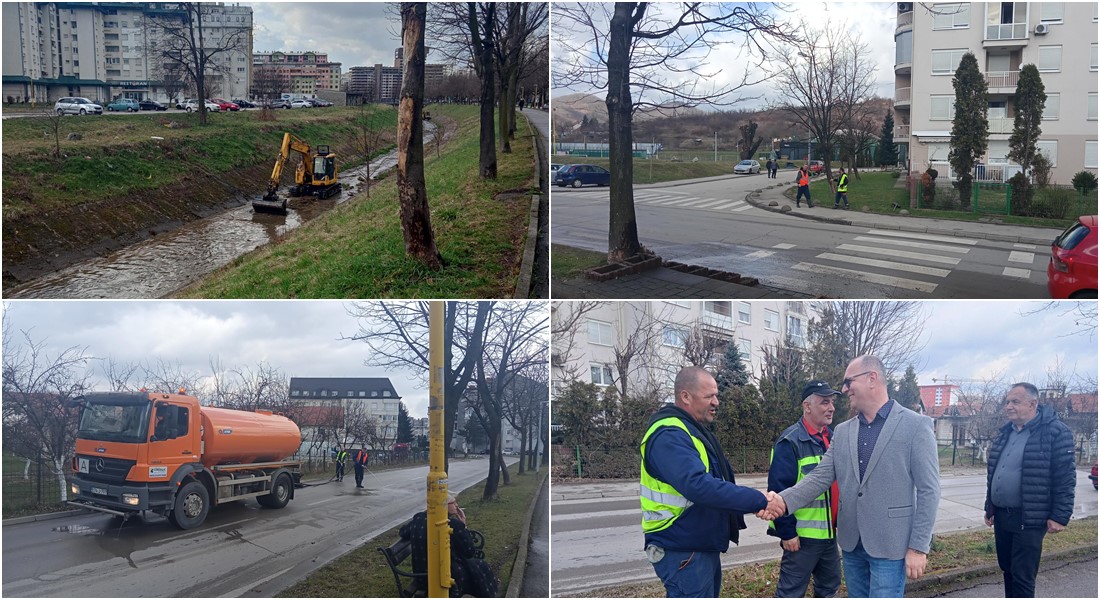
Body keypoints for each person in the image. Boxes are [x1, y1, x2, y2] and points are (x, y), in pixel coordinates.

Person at [767, 355, 940, 598]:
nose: (844, 389)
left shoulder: (916, 426)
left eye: (849, 382)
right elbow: (819, 478)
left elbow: (929, 490)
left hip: (890, 545)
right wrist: (781, 503)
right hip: (851, 544)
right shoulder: (843, 431)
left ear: (872, 379)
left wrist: (919, 547)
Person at [640, 366, 781, 597]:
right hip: (681, 547)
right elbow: (699, 486)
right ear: (685, 396)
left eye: (716, 395)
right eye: (709, 396)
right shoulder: (669, 434)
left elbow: (715, 481)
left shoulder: (691, 430)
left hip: (696, 544)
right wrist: (759, 500)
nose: (716, 402)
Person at [984, 382, 1075, 598]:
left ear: (1033, 404)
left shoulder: (1055, 432)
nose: (1008, 406)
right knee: (1007, 569)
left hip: (1030, 517)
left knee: (1023, 575)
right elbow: (996, 472)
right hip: (1003, 516)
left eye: (1015, 401)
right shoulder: (1006, 432)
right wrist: (990, 507)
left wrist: (1060, 515)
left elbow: (1065, 477)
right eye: (1007, 402)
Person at [767, 381, 843, 598]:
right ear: (807, 406)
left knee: (829, 589)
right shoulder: (789, 441)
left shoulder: (835, 437)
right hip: (801, 539)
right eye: (824, 402)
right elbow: (778, 491)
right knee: (790, 594)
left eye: (832, 402)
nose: (831, 408)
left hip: (830, 537)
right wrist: (787, 532)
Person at [399, 496, 498, 597]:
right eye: (453, 503)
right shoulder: (453, 524)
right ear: (443, 505)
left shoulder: (419, 518)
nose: (457, 505)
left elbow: (403, 532)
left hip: (420, 575)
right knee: (481, 567)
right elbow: (469, 552)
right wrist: (464, 525)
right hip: (446, 576)